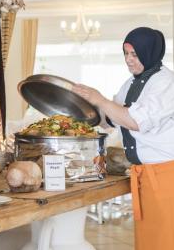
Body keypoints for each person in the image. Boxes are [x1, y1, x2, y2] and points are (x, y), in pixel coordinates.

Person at [72, 27, 174, 250]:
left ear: (151, 52)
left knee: (166, 242)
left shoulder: (166, 83)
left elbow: (135, 121)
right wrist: (81, 109)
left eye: (134, 54)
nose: (128, 60)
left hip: (167, 176)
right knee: (148, 243)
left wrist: (100, 99)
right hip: (144, 175)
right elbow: (111, 119)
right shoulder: (130, 84)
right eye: (125, 53)